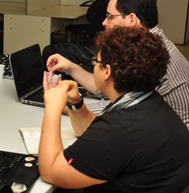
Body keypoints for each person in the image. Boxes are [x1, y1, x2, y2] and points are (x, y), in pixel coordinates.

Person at [39, 26, 189, 192]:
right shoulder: (149, 104)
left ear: (107, 71)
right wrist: (76, 103)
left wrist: (52, 108)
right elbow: (94, 132)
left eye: (96, 62)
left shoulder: (120, 130)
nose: (94, 66)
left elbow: (51, 171)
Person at [47, 0, 189, 129]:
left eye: (110, 17)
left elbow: (120, 109)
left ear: (131, 19)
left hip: (173, 138)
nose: (104, 22)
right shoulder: (147, 45)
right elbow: (107, 87)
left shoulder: (152, 56)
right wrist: (71, 67)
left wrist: (63, 106)